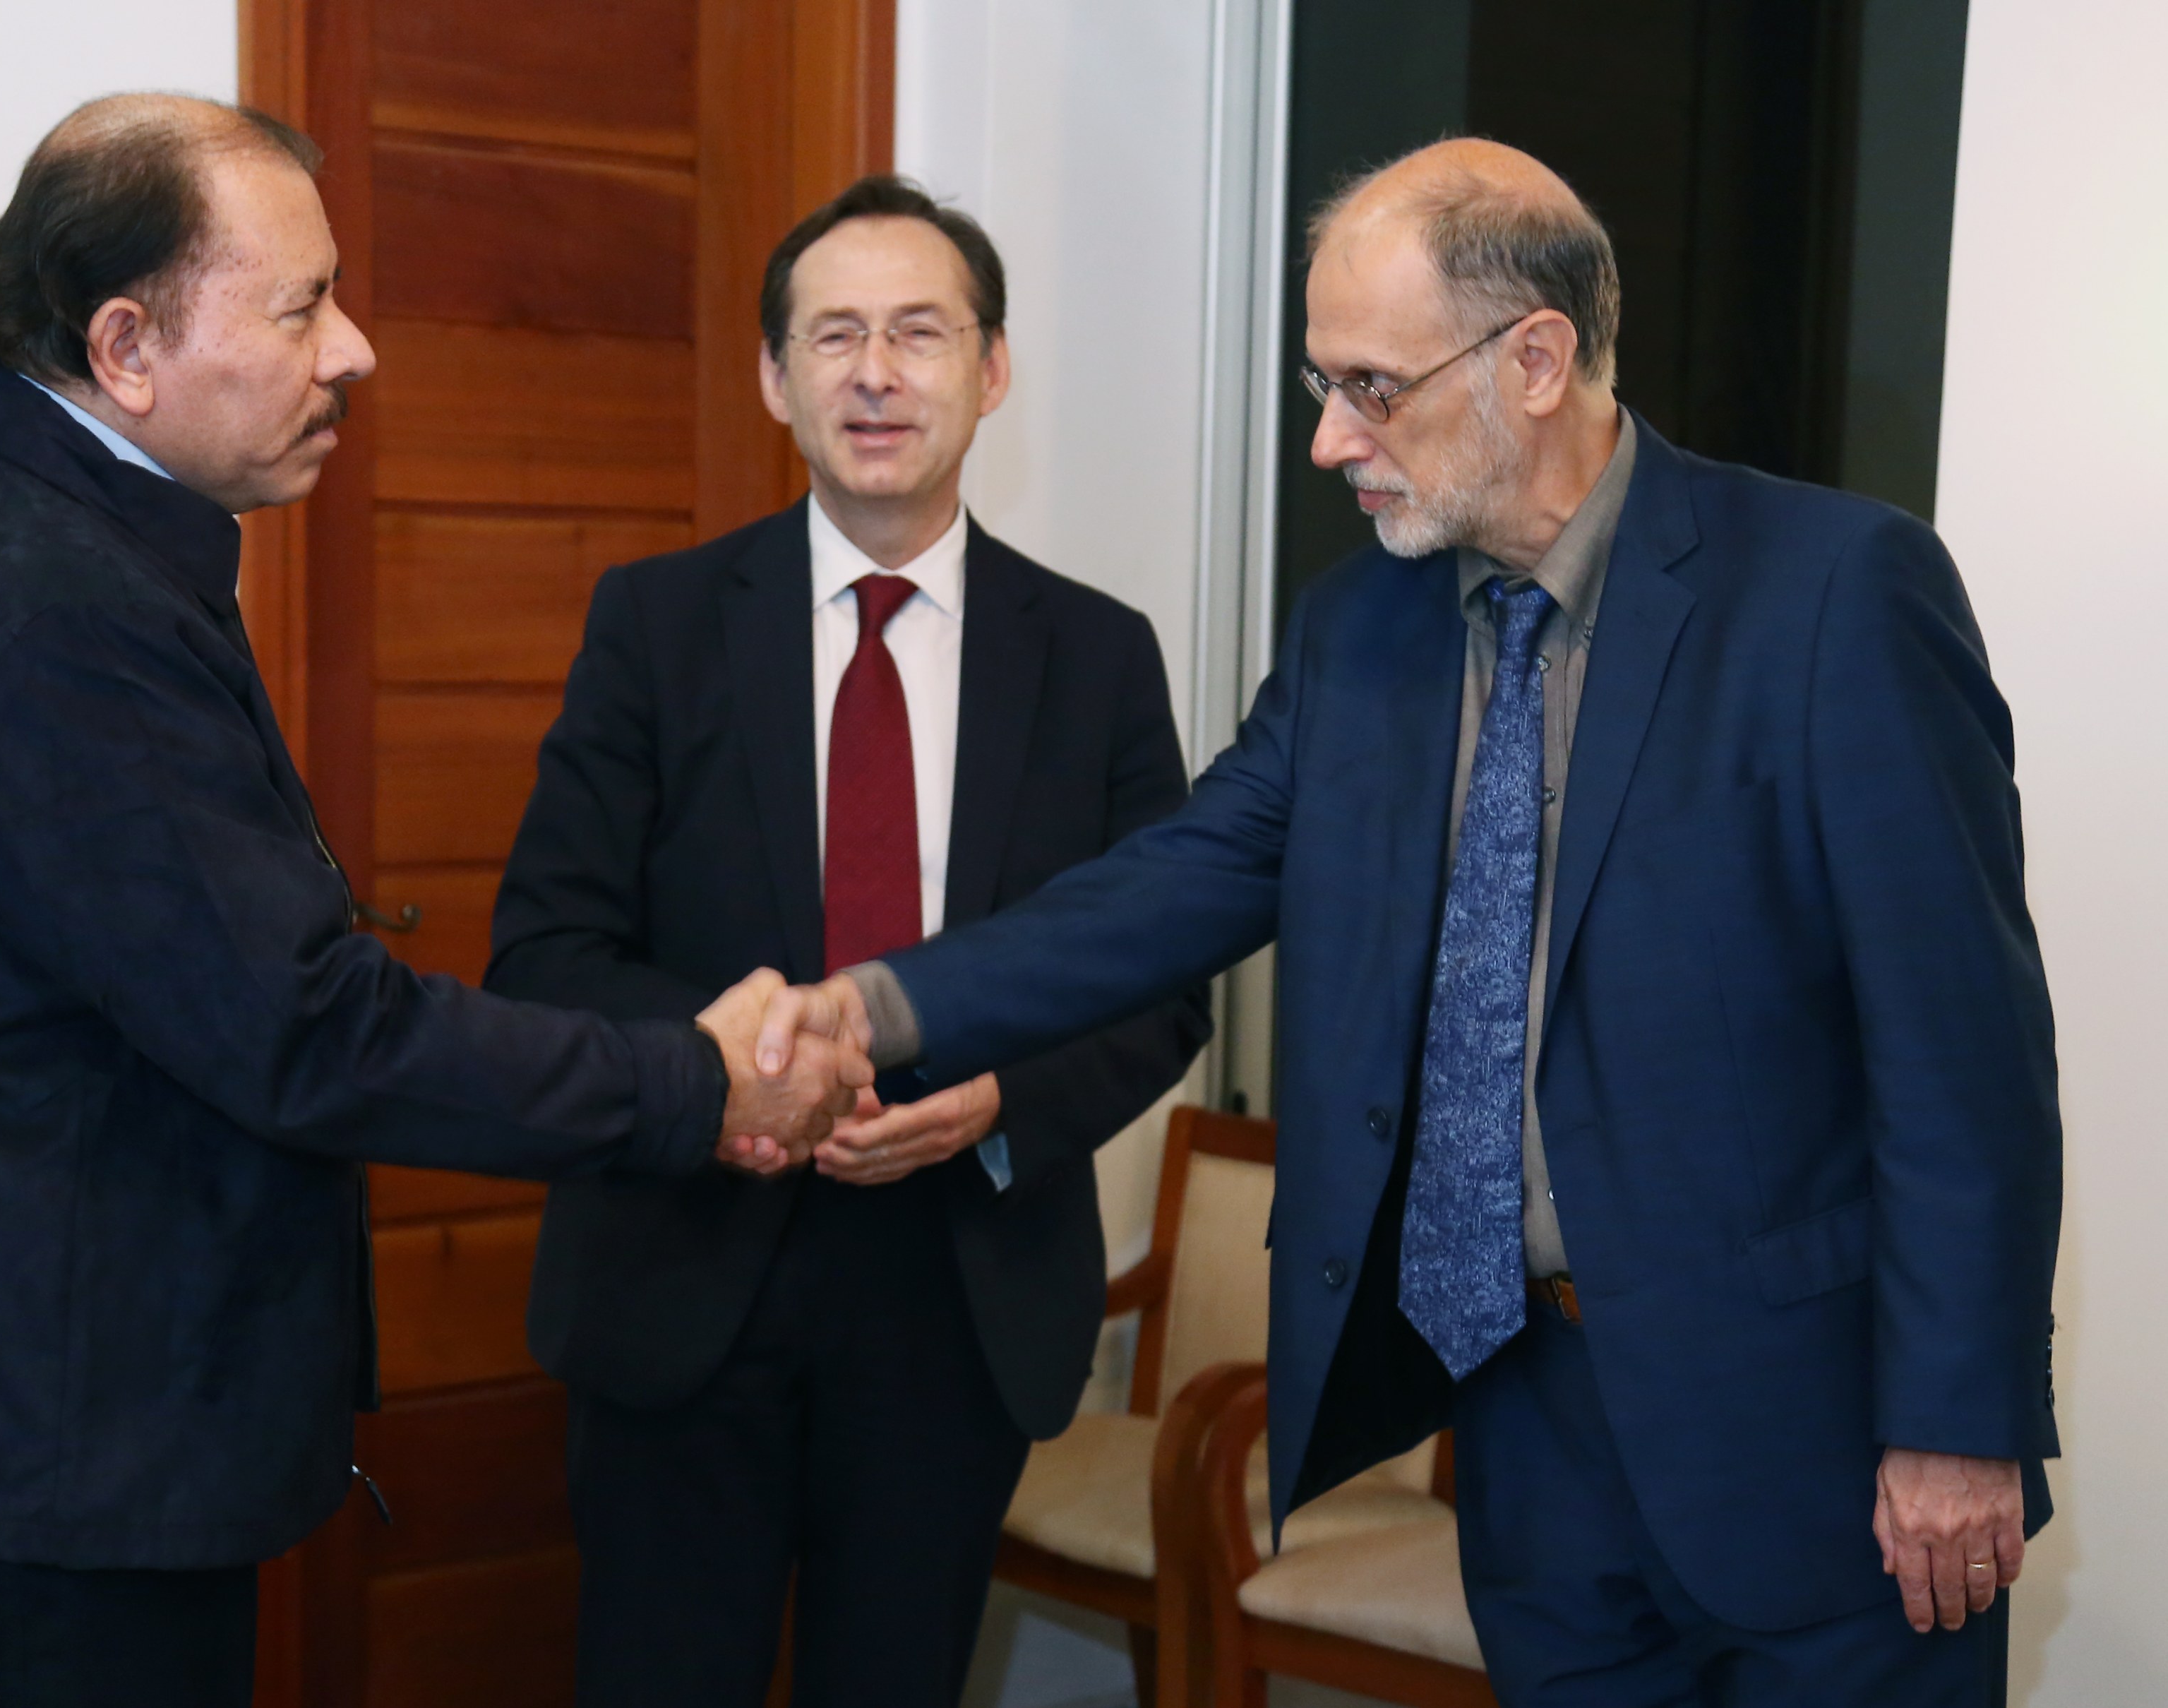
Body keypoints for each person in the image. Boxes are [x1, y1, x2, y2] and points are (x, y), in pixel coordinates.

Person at [760, 138, 2062, 1704]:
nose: (1329, 439)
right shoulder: (1359, 631)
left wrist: (1957, 1417)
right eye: (1323, 384)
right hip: (1526, 1432)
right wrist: (873, 1008)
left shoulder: (1831, 591)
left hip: (1817, 1443)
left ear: (1535, 361)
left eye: (1371, 388)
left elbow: (1960, 1052)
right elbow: (1167, 886)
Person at [0, 95, 866, 1708]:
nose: (353, 351)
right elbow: (300, 1027)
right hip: (44, 1476)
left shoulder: (27, 519)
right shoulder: (39, 590)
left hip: (25, 1437)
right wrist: (694, 1082)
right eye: (300, 307)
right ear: (125, 344)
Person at [481, 175, 1211, 1708]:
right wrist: (748, 1071)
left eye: (919, 333)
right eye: (833, 336)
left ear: (991, 370)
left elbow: (1160, 980)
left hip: (957, 1293)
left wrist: (1003, 1096)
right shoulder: (655, 625)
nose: (875, 373)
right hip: (686, 1270)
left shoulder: (1095, 656)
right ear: (774, 377)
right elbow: (546, 951)